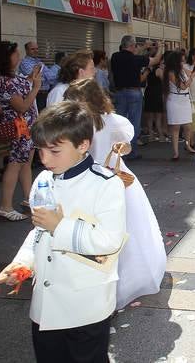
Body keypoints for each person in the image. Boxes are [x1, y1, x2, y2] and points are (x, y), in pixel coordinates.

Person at [0, 101, 126, 361]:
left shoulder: (105, 184)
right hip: (46, 304)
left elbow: (109, 240)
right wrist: (23, 263)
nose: (44, 159)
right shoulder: (44, 179)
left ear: (83, 145)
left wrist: (60, 226)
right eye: (40, 150)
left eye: (54, 151)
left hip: (86, 303)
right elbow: (38, 230)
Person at [63, 80, 166, 309]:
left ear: (92, 100)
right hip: (84, 180)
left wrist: (121, 148)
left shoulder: (112, 121)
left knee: (120, 230)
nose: (74, 106)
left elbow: (126, 145)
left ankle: (119, 282)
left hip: (112, 178)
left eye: (78, 101)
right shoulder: (74, 124)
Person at [0, 41, 41, 221]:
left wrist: (31, 79)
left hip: (25, 128)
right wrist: (35, 87)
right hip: (19, 128)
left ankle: (28, 198)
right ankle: (5, 206)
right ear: (6, 58)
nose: (18, 56)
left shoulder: (7, 78)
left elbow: (22, 89)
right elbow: (23, 106)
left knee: (25, 162)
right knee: (16, 163)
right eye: (14, 54)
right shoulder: (4, 81)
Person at [110, 36, 163, 159]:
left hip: (119, 92)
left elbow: (130, 54)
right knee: (134, 123)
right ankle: (131, 152)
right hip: (134, 92)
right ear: (132, 46)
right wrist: (159, 47)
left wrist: (144, 47)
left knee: (119, 123)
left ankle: (119, 152)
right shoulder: (135, 59)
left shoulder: (115, 56)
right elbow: (155, 60)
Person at [163, 51, 195, 160]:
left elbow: (190, 72)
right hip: (175, 99)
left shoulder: (182, 70)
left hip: (185, 99)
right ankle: (176, 152)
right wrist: (192, 78)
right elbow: (182, 86)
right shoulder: (171, 73)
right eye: (181, 60)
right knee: (175, 127)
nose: (183, 62)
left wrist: (189, 72)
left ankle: (187, 145)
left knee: (188, 126)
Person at [17, 42, 58, 110]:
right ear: (26, 50)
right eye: (32, 49)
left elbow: (51, 77)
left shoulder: (39, 62)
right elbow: (35, 78)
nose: (36, 51)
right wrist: (44, 75)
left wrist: (42, 74)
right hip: (35, 95)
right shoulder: (25, 63)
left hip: (45, 94)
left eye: (37, 49)